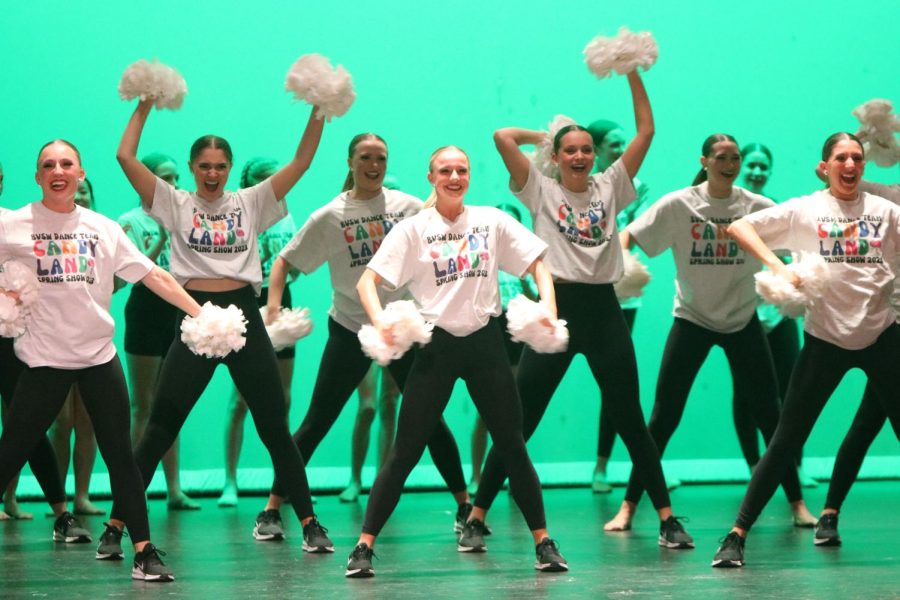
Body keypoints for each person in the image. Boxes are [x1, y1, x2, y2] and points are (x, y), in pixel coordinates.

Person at [467, 71, 693, 551]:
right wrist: (548, 135)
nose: (579, 156)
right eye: (569, 150)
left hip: (603, 310)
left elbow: (646, 131)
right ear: (556, 156)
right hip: (556, 310)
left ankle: (667, 518)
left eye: (586, 149)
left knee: (630, 416)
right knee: (520, 419)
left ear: (595, 156)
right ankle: (478, 514)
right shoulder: (539, 190)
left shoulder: (611, 187)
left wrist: (632, 71)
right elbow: (500, 137)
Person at [108, 97, 332, 554]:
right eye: (204, 165)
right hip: (195, 316)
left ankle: (309, 522)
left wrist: (319, 107)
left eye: (221, 166)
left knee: (274, 426)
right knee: (161, 425)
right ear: (192, 166)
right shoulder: (174, 202)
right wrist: (146, 104)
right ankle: (116, 524)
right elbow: (125, 158)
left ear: (230, 167)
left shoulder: (252, 201)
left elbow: (303, 160)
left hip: (244, 315)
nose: (212, 173)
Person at [346, 145, 567, 578]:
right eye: (445, 170)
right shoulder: (412, 230)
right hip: (436, 347)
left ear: (469, 176)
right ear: (431, 177)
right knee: (405, 451)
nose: (454, 177)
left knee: (512, 445)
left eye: (461, 170)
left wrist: (550, 307)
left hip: (486, 345)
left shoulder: (491, 220)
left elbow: (540, 263)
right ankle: (363, 546)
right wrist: (381, 322)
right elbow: (366, 283)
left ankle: (543, 543)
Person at [0, 139, 203, 580]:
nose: (57, 170)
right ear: (37, 177)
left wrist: (201, 313)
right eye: (48, 165)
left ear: (80, 174)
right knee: (10, 454)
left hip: (98, 359)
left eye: (66, 163)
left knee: (121, 460)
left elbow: (155, 275)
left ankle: (145, 551)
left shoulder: (102, 229)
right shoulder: (13, 226)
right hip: (42, 362)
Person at [254, 134, 469, 539]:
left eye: (381, 158)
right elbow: (283, 264)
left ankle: (464, 508)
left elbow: (441, 217)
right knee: (317, 421)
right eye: (366, 157)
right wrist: (272, 310)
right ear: (351, 162)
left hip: (402, 330)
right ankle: (271, 509)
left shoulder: (406, 207)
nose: (374, 164)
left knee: (430, 421)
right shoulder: (331, 215)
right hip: (352, 329)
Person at [711, 133, 900, 568]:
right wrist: (780, 265)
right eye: (841, 158)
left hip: (881, 337)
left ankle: (828, 513)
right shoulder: (805, 210)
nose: (850, 165)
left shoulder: (885, 212)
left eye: (857, 158)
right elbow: (739, 227)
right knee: (785, 440)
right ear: (825, 166)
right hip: (825, 341)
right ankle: (736, 535)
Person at [613, 134, 815, 530]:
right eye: (721, 157)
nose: (730, 163)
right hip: (692, 319)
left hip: (742, 321)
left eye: (735, 157)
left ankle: (797, 504)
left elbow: (796, 244)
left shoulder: (757, 207)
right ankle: (628, 507)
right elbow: (628, 237)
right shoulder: (679, 204)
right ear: (704, 161)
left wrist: (799, 276)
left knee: (771, 416)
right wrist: (622, 270)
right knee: (663, 417)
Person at [812, 173, 900, 546]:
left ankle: (829, 512)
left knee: (867, 424)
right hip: (889, 334)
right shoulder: (889, 198)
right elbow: (853, 183)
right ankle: (829, 512)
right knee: (867, 424)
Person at [733, 143, 817, 490]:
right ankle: (755, 466)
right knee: (745, 392)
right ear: (741, 168)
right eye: (751, 165)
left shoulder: (777, 210)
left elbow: (794, 256)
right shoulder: (731, 211)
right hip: (742, 315)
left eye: (762, 167)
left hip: (779, 313)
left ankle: (793, 466)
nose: (756, 172)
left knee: (792, 391)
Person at [118, 152, 198, 511]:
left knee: (171, 405)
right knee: (144, 405)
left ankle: (174, 489)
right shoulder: (129, 221)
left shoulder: (185, 217)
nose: (175, 185)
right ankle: (139, 485)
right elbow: (127, 274)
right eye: (167, 177)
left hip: (175, 312)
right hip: (145, 310)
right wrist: (162, 237)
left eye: (177, 177)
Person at [585, 118, 660, 494]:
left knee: (618, 385)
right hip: (583, 290)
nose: (619, 150)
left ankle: (622, 469)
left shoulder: (636, 187)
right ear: (596, 149)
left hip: (622, 291)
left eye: (621, 144)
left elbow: (635, 234)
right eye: (613, 144)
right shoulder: (578, 186)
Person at [219, 157, 298, 508]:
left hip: (279, 301)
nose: (270, 183)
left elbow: (292, 265)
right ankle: (229, 481)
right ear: (248, 181)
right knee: (240, 399)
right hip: (247, 301)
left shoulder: (287, 215)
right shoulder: (238, 211)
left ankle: (280, 482)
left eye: (273, 177)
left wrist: (284, 274)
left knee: (282, 398)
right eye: (262, 178)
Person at [467, 201, 536, 495]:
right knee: (485, 411)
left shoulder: (523, 263)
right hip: (490, 328)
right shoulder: (479, 257)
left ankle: (509, 472)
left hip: (516, 330)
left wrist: (525, 282)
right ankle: (476, 474)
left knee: (514, 408)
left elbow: (535, 296)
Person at [48, 178, 105, 516]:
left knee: (87, 421)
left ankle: (82, 495)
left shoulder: (101, 235)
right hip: (54, 340)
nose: (81, 196)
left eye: (86, 191)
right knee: (61, 421)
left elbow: (114, 283)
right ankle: (60, 499)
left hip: (92, 341)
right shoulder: (47, 231)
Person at [339, 363, 399, 503]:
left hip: (398, 342)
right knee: (367, 407)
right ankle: (355, 480)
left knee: (390, 403)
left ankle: (381, 482)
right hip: (368, 341)